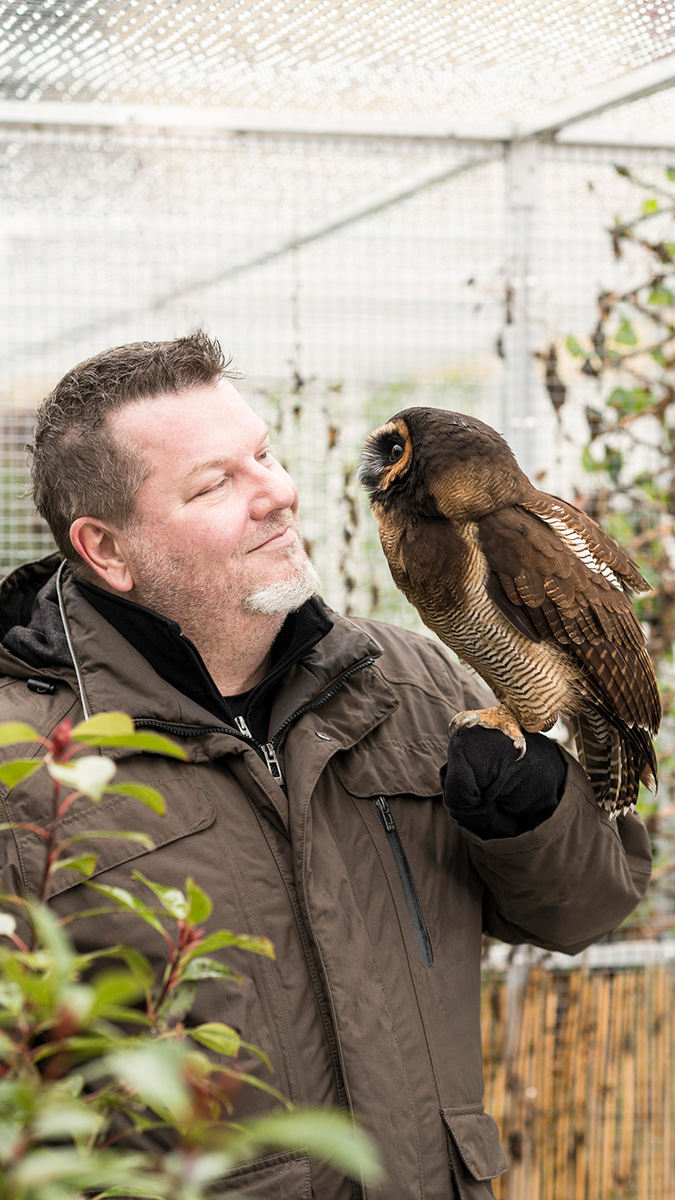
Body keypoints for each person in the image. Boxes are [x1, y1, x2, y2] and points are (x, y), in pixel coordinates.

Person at [0, 332, 651, 1200]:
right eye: (216, 483)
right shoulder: (26, 761)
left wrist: (534, 821)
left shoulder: (415, 686)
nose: (277, 493)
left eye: (263, 455)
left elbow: (589, 907)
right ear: (107, 549)